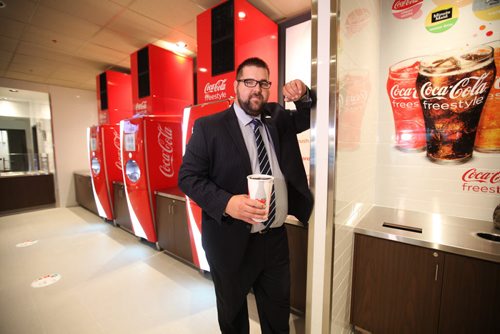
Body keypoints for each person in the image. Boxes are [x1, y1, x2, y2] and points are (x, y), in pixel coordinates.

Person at [178, 57, 315, 334]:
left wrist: (304, 95)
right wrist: (227, 203)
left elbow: (308, 116)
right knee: (233, 319)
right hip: (229, 240)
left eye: (263, 83)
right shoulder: (209, 127)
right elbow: (188, 177)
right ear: (236, 85)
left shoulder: (277, 117)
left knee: (277, 318)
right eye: (249, 82)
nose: (257, 89)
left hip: (275, 239)